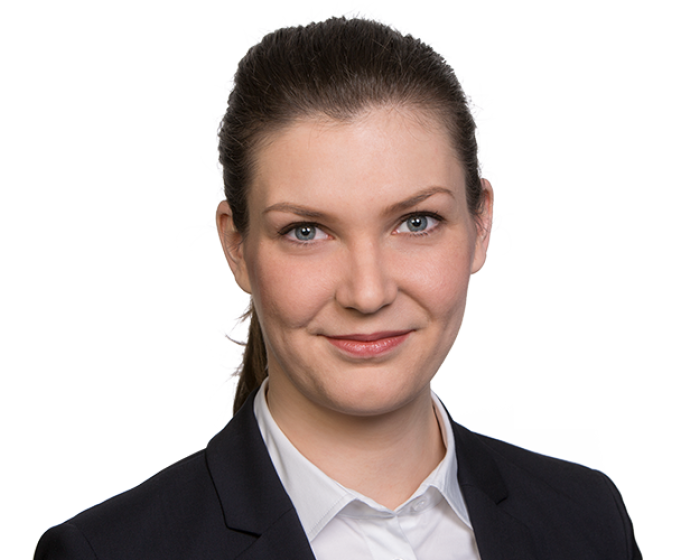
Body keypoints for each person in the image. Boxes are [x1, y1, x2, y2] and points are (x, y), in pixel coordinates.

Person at [34, 8, 643, 560]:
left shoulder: (588, 520)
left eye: (416, 222)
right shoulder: (106, 554)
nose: (368, 293)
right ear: (237, 246)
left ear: (482, 224)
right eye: (306, 231)